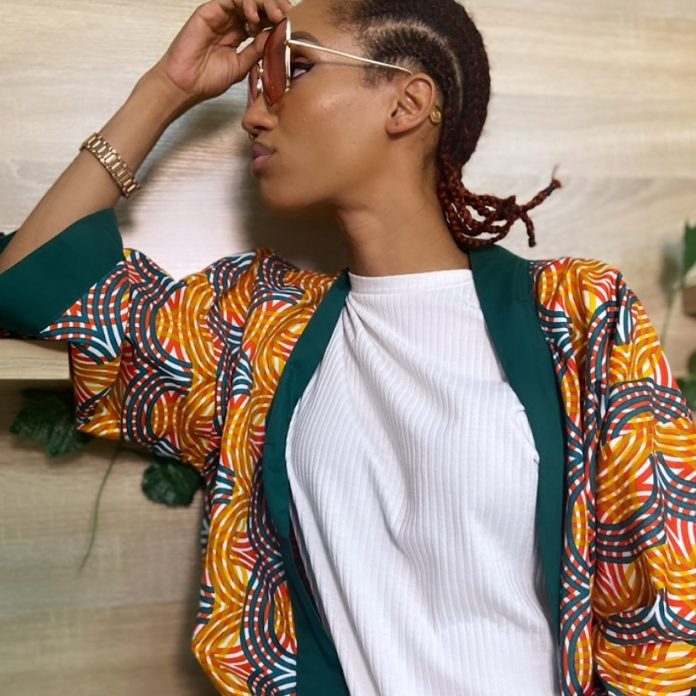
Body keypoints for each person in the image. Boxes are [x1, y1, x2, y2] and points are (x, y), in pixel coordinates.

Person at [0, 0, 694, 694]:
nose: (253, 115)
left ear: (406, 103)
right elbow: (33, 282)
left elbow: (665, 618)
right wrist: (167, 88)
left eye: (295, 69)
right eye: (257, 84)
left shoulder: (577, 315)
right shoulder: (256, 331)